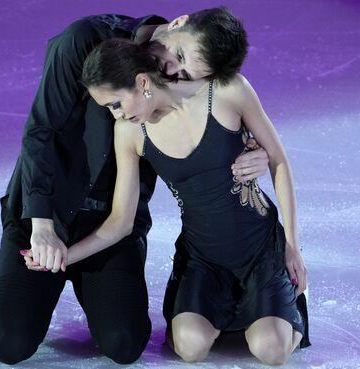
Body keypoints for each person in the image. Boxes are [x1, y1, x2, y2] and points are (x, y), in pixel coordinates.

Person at [0, 7, 270, 365]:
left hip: (112, 226)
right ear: (179, 23)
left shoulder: (177, 69)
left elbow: (211, 115)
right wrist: (42, 227)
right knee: (10, 344)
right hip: (46, 218)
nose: (173, 72)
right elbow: (40, 131)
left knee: (124, 343)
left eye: (185, 73)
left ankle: (83, 284)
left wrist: (254, 148)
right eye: (180, 58)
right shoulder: (82, 41)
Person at [25, 37, 311, 365]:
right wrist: (64, 257)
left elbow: (279, 161)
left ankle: (281, 309)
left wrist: (292, 246)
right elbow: (120, 222)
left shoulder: (227, 90)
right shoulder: (130, 133)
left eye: (115, 104)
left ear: (142, 82)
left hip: (260, 250)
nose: (115, 115)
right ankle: (243, 314)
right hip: (204, 257)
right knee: (190, 347)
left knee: (271, 350)